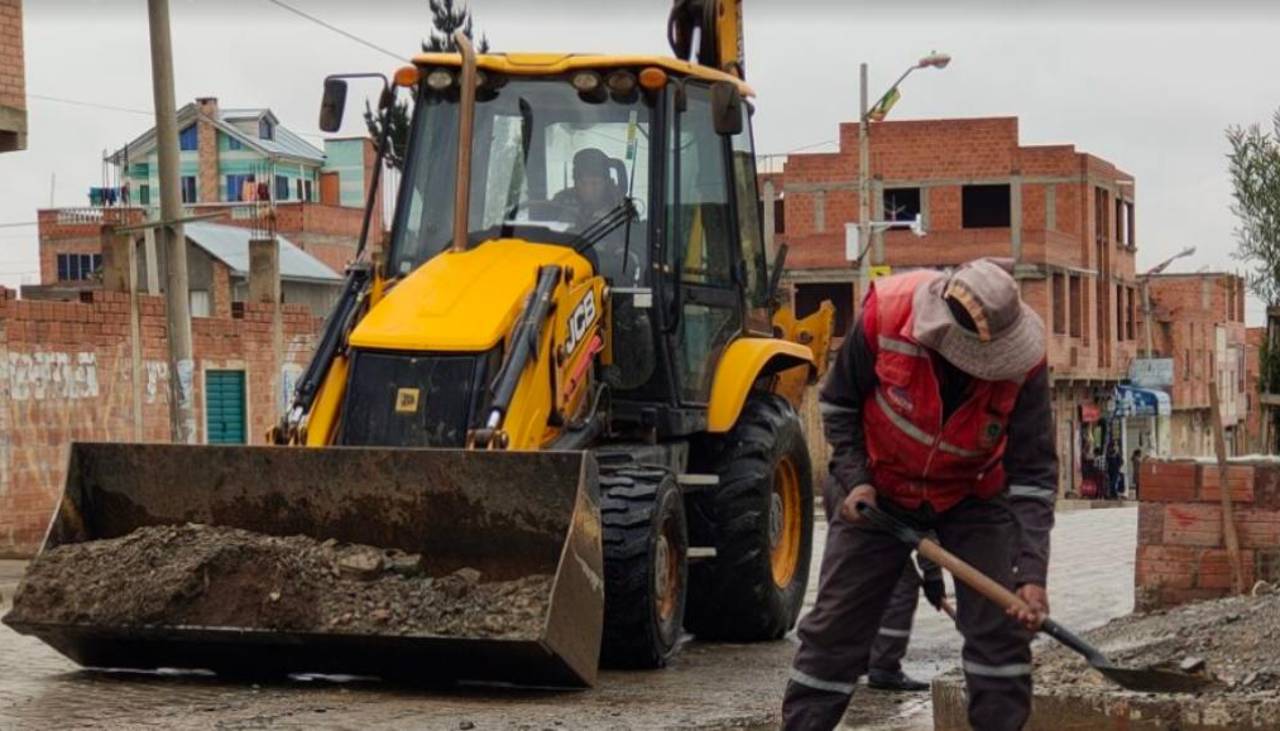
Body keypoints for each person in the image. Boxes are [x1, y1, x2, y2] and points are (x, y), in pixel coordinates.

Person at [782, 259, 1058, 731]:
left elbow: (1032, 474)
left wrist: (1029, 573)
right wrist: (855, 477)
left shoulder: (1026, 363)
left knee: (1001, 635)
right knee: (835, 630)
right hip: (879, 489)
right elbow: (838, 402)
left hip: (974, 495)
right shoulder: (885, 315)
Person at [865, 555, 946, 692]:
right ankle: (884, 666)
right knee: (904, 587)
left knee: (859, 583)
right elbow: (925, 537)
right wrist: (933, 575)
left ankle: (846, 658)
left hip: (853, 539)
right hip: (883, 539)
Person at [551, 147, 624, 229]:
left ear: (606, 183)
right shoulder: (562, 201)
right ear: (575, 183)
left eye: (595, 183)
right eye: (583, 183)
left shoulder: (620, 207)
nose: (589, 190)